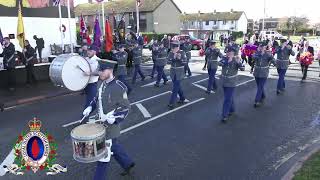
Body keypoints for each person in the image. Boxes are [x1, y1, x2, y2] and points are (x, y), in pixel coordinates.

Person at [82, 60, 135, 180]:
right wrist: (90, 107)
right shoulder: (102, 84)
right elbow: (97, 98)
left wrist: (115, 118)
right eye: (99, 70)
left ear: (110, 70)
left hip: (111, 126)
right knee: (114, 146)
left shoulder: (119, 87)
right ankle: (127, 163)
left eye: (102, 70)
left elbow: (126, 107)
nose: (100, 72)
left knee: (103, 157)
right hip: (100, 124)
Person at [219, 47, 245, 123]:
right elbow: (219, 63)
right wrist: (228, 61)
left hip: (231, 82)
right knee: (229, 97)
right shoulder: (224, 58)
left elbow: (242, 68)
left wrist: (238, 62)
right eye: (227, 53)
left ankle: (224, 115)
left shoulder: (236, 59)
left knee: (227, 99)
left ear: (233, 53)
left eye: (230, 53)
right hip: (224, 81)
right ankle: (232, 109)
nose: (228, 54)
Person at [252, 42, 276, 108]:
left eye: (263, 47)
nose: (262, 48)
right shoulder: (256, 53)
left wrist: (274, 62)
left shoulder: (268, 53)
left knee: (260, 87)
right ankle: (263, 95)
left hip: (264, 73)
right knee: (259, 86)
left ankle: (257, 100)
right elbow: (253, 57)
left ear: (265, 47)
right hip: (257, 72)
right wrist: (260, 53)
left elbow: (273, 60)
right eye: (260, 47)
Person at [167, 41, 187, 109]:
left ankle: (171, 102)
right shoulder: (170, 53)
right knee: (177, 86)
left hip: (179, 72)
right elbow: (168, 62)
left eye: (174, 48)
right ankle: (182, 98)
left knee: (175, 88)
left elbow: (185, 62)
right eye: (172, 48)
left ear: (178, 47)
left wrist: (180, 59)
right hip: (173, 72)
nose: (173, 49)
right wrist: (173, 58)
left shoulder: (182, 52)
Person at [82, 46, 100, 113]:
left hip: (92, 84)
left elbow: (99, 73)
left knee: (91, 103)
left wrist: (90, 73)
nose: (88, 52)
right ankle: (85, 119)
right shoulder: (85, 59)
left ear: (94, 52)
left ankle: (83, 119)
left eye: (90, 51)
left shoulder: (98, 60)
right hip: (85, 84)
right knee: (92, 102)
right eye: (88, 50)